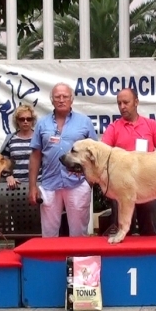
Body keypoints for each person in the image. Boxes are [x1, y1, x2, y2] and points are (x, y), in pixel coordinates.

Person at [28, 83, 98, 237]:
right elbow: (35, 155)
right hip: (49, 184)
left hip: (77, 183)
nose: (61, 100)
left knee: (79, 235)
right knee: (49, 235)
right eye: (57, 97)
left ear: (71, 99)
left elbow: (95, 153)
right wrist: (32, 186)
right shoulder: (42, 123)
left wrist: (90, 180)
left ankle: (78, 261)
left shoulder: (84, 122)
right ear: (52, 100)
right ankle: (52, 262)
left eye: (65, 96)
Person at [101, 87, 156, 236]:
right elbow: (103, 155)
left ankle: (150, 256)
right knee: (123, 232)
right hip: (122, 187)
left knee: (149, 231)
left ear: (136, 102)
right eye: (119, 103)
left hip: (148, 184)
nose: (122, 107)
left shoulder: (151, 125)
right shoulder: (113, 127)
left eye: (126, 102)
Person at [0, 104, 40, 189]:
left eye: (29, 119)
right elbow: (3, 162)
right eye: (22, 119)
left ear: (33, 121)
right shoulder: (10, 139)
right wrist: (8, 176)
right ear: (17, 121)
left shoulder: (39, 138)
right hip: (16, 186)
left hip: (38, 184)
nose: (25, 121)